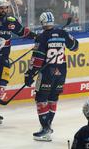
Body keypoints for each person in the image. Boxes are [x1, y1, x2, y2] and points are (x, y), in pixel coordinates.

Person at [24, 11, 79, 141]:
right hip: (61, 72)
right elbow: (75, 46)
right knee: (53, 98)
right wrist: (65, 37)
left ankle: (45, 129)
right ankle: (47, 126)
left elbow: (37, 59)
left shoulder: (42, 37)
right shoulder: (62, 33)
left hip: (47, 73)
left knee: (41, 98)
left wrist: (29, 74)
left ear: (42, 22)